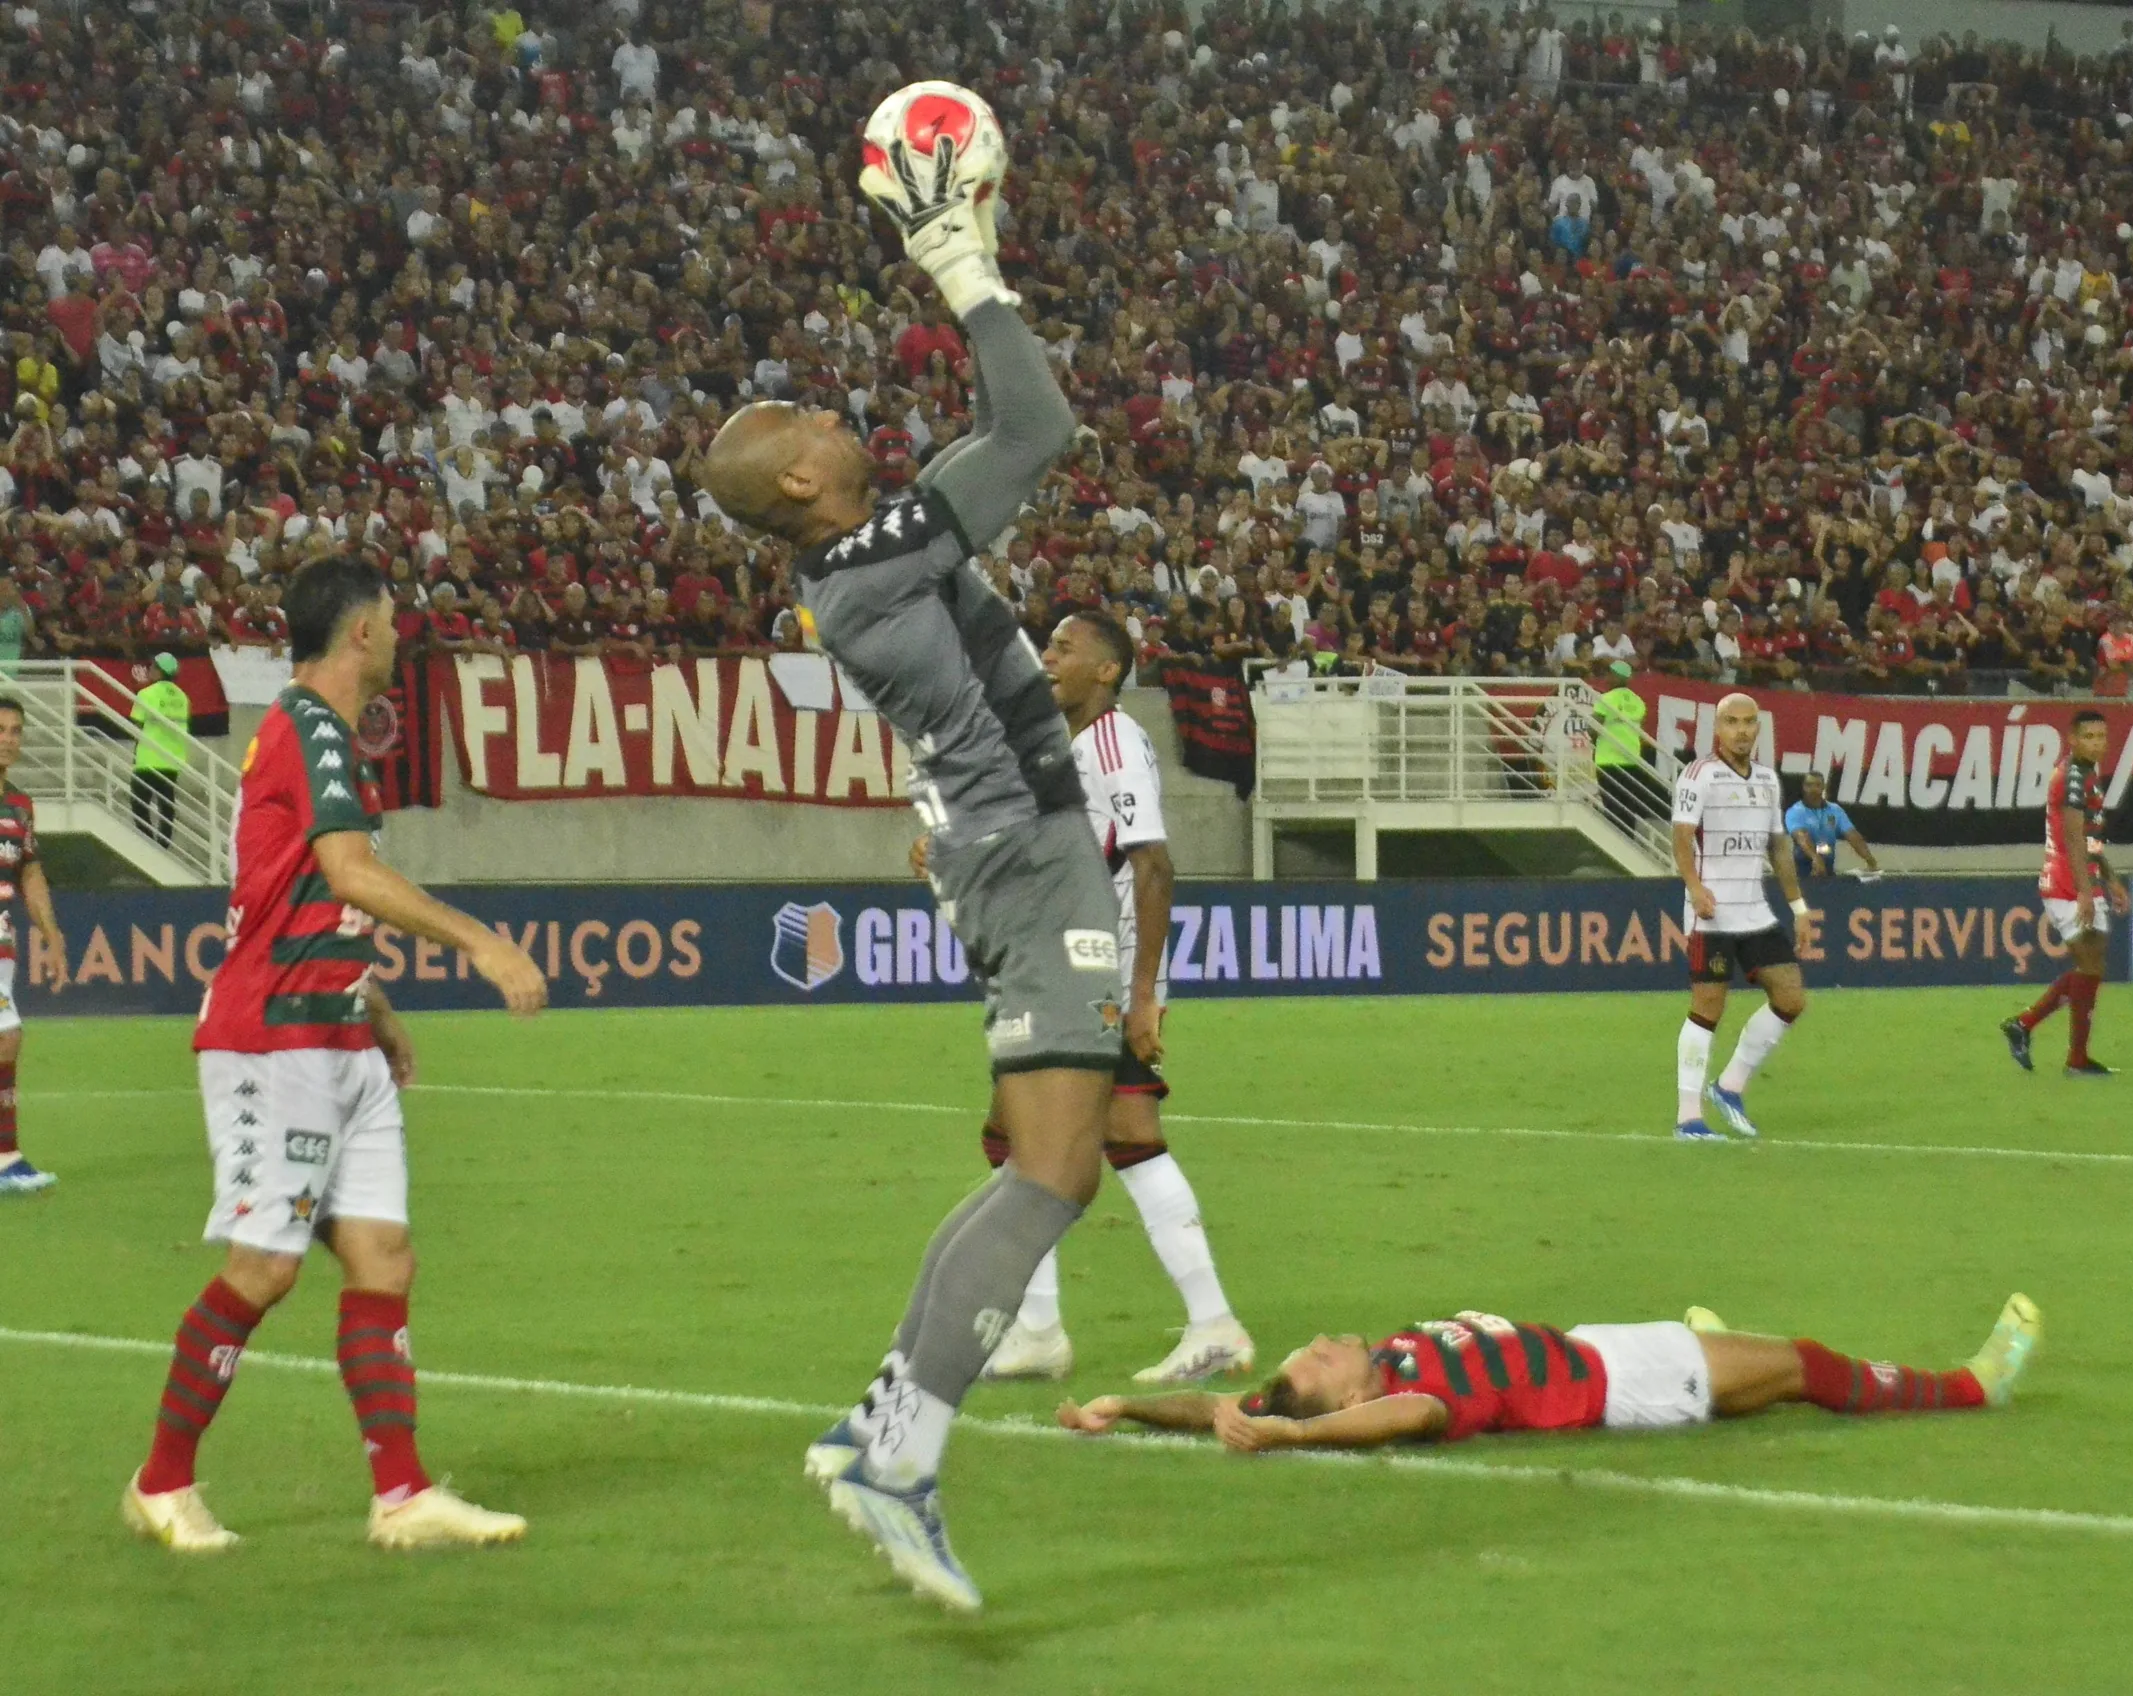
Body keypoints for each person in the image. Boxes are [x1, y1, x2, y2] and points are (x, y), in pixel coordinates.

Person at [699, 84, 1115, 1613]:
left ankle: (884, 1412)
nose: (828, 414)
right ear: (801, 488)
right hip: (1031, 857)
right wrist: (958, 264)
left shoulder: (866, 563)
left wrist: (977, 254)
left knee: (1034, 1161)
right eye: (803, 423)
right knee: (1061, 1170)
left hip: (1003, 854)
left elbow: (998, 439)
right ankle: (904, 1461)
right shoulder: (869, 559)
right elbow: (1039, 425)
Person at [122, 556, 549, 1555]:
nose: (402, 635)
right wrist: (480, 941)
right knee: (265, 1266)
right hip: (276, 1039)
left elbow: (306, 896)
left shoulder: (321, 736)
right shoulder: (309, 722)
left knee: (381, 1257)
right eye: (393, 621)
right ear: (361, 631)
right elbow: (349, 870)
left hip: (337, 1027)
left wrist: (377, 1000)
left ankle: (399, 1492)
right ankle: (161, 1479)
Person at [966, 609, 1255, 1385]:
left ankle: (1207, 1323)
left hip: (1100, 973)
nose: (1047, 658)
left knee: (1116, 1130)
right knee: (1015, 1131)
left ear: (1106, 671)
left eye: (1064, 648)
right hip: (1063, 970)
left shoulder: (1115, 743)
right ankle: (1040, 1328)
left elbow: (1153, 866)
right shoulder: (1063, 744)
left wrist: (1142, 993)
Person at [1057, 1294, 2042, 1449]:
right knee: (1802, 1364)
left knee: (1758, 1358)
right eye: (1318, 1361)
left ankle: (1719, 1348)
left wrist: (1128, 1405)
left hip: (1599, 1344)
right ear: (1351, 1394)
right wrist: (1293, 1432)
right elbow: (1391, 1423)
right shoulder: (1409, 1398)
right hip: (1626, 1379)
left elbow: (1217, 1404)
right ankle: (1969, 1384)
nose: (1320, 1341)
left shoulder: (1393, 1354)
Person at [1670, 694, 1811, 1141]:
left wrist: (1799, 908)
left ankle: (1729, 1086)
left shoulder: (1769, 781)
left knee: (1790, 998)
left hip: (1754, 911)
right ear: (1717, 728)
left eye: (1750, 722)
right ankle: (1688, 1117)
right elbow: (1681, 837)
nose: (1742, 730)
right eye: (1732, 722)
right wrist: (1694, 887)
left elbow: (1779, 847)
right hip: (1711, 912)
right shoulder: (1698, 776)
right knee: (1707, 1009)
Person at [2004, 711, 2129, 1077]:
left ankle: (2031, 1029)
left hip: (2081, 879)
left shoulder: (2088, 774)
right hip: (2066, 882)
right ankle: (2064, 1050)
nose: (2097, 742)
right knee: (2090, 966)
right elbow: (2073, 839)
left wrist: (2111, 878)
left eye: (2101, 736)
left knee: (2091, 966)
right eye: (2088, 736)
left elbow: (2090, 838)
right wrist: (2086, 893)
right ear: (2071, 739)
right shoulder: (2071, 777)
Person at [0, 699, 70, 1194]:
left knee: (7, 1040)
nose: (9, 738)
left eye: (16, 730)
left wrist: (51, 931)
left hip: (1, 941)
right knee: (7, 1037)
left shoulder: (19, 806)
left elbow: (29, 870)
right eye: (1, 729)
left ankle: (6, 1156)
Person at [1591, 658, 1659, 839]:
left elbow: (1594, 726)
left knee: (1612, 807)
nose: (1606, 678)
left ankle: (1614, 842)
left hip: (1608, 760)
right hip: (1631, 758)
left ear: (1615, 676)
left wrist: (1593, 742)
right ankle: (1628, 841)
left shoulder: (1606, 699)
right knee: (1628, 807)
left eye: (1609, 674)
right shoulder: (1638, 702)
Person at [129, 653, 192, 848]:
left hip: (148, 758)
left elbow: (136, 724)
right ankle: (164, 844)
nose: (149, 671)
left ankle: (150, 843)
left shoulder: (147, 693)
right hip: (173, 759)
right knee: (167, 805)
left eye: (152, 667)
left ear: (159, 671)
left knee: (139, 804)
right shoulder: (183, 697)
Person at [1784, 772, 1881, 882]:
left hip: (1828, 869)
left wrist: (1870, 860)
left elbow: (1852, 835)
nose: (1813, 789)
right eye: (1809, 785)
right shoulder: (1795, 812)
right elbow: (1801, 837)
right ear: (1803, 787)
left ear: (1823, 787)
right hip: (1801, 872)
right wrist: (1815, 858)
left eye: (1817, 785)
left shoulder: (1835, 810)